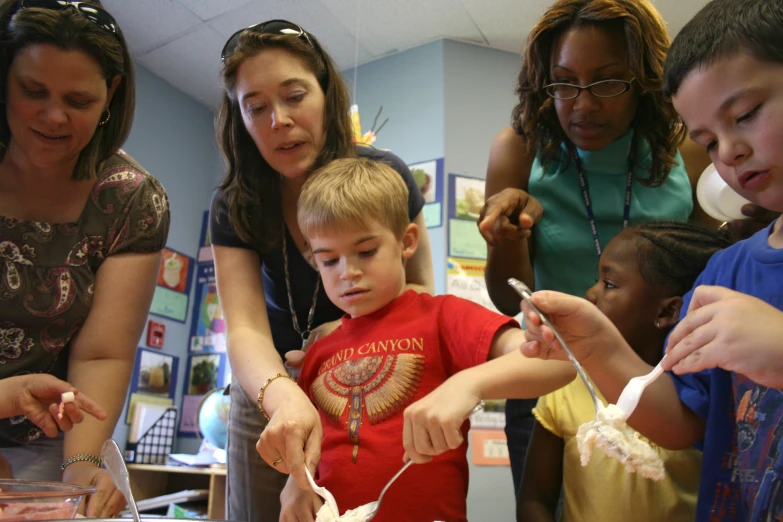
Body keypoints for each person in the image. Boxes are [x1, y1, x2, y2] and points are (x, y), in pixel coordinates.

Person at [521, 2, 783, 519]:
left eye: (746, 115)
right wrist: (597, 343)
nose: (728, 151)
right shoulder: (726, 274)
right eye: (706, 141)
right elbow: (683, 419)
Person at [475, 0, 723, 498]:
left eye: (609, 82)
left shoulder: (688, 153)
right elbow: (509, 300)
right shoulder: (519, 151)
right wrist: (509, 238)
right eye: (564, 83)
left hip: (661, 378)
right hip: (549, 375)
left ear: (645, 83)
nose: (583, 105)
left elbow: (706, 279)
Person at [209, 20, 435, 522]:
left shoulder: (386, 174)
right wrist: (283, 394)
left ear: (326, 94)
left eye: (294, 96)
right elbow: (243, 327)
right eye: (257, 107)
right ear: (240, 118)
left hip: (369, 378)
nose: (279, 121)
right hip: (270, 384)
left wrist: (344, 339)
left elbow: (420, 291)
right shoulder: (235, 204)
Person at [277, 157, 575, 522]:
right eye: (329, 260)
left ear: (406, 241)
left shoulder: (442, 317)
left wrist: (470, 383)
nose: (348, 273)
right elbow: (308, 448)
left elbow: (556, 362)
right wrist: (295, 485)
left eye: (366, 251)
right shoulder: (319, 352)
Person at [0, 0, 170, 516]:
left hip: (49, 440)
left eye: (77, 100)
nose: (53, 117)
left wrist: (82, 469)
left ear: (111, 95)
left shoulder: (132, 202)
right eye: (32, 92)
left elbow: (101, 354)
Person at [518, 221, 732, 522]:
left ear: (667, 311)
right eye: (597, 279)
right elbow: (534, 498)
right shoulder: (568, 387)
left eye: (609, 284)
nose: (590, 294)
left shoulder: (699, 400)